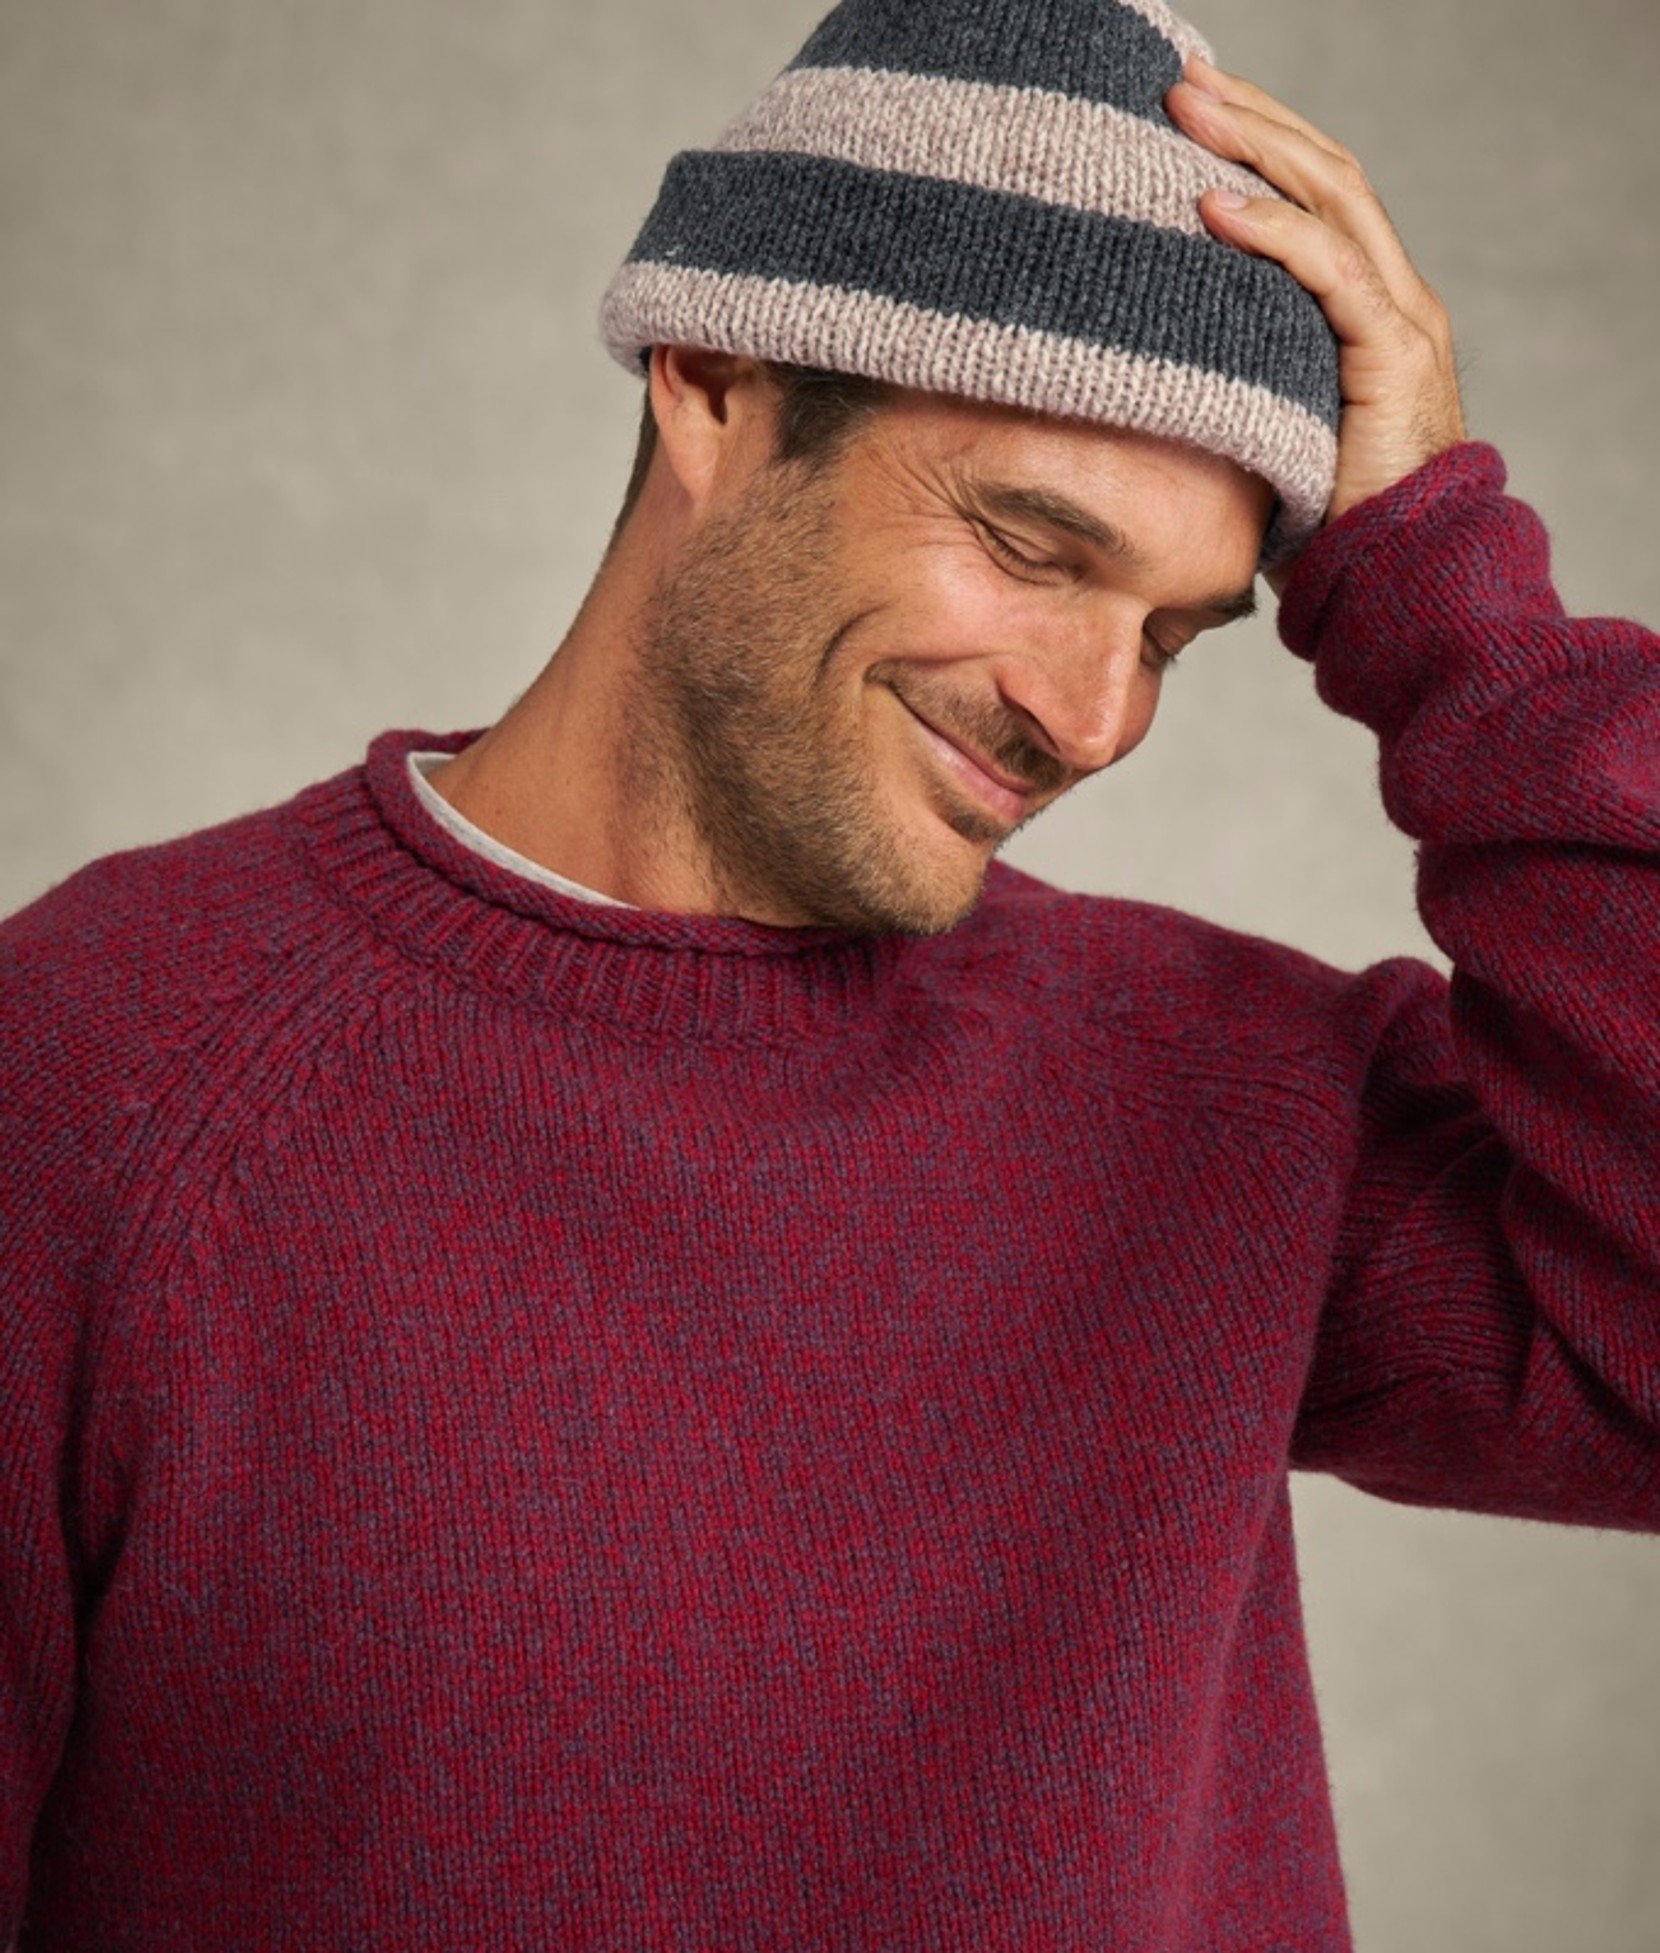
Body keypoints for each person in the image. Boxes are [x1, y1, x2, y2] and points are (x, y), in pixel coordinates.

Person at [2, 0, 1654, 1946]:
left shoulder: (1226, 1095)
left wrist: (1434, 583)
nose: (1093, 715)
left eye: (1178, 634)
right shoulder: (103, 1068)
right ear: (712, 384)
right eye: (1031, 547)